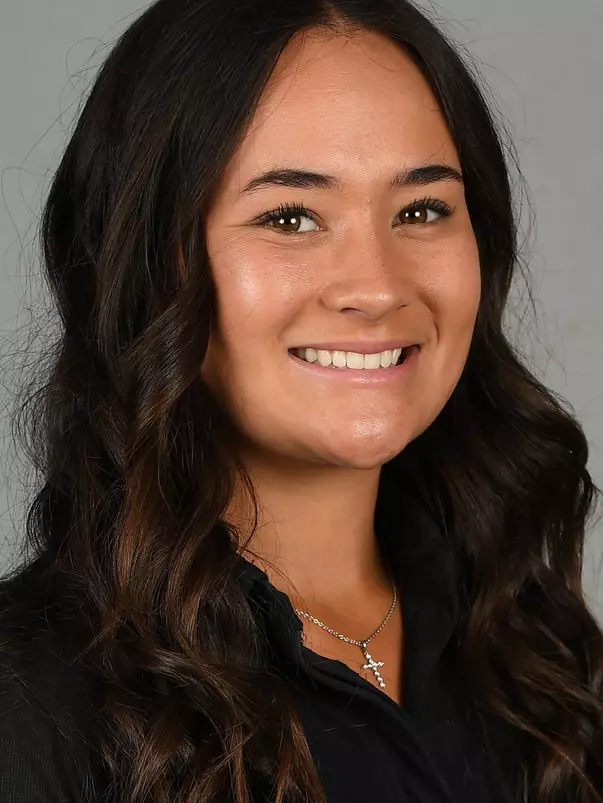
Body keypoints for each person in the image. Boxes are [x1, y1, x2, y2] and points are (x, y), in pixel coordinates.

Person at [0, 0, 602, 801]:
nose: (377, 287)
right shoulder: (29, 705)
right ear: (149, 263)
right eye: (290, 217)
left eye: (420, 210)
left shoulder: (534, 646)